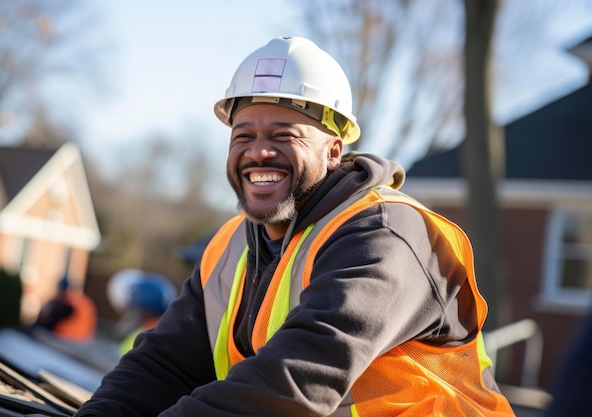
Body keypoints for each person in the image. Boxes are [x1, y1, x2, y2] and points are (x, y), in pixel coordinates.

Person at [75, 36, 514, 416]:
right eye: (243, 136)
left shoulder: (384, 235)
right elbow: (163, 364)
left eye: (284, 135)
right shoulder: (228, 248)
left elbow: (298, 380)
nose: (259, 152)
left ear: (333, 151)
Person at [34, 274, 97, 343]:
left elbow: (51, 318)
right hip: (83, 339)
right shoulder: (83, 302)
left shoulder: (69, 303)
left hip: (69, 338)